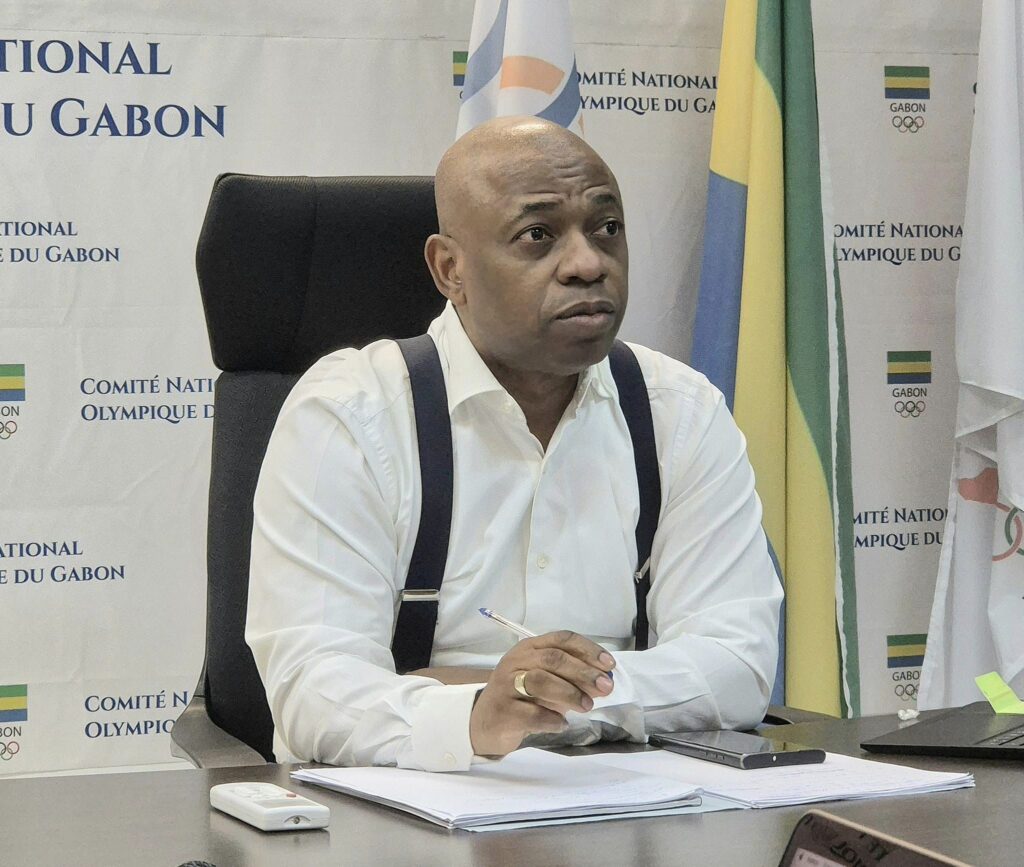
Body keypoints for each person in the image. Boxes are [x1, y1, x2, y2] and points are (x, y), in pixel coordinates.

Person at [247, 116, 782, 771]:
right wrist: (478, 714)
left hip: (628, 801)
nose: (588, 263)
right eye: (538, 235)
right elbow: (314, 693)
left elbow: (738, 665)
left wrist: (541, 699)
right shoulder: (351, 415)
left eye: (607, 228)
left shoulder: (681, 410)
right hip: (401, 809)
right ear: (450, 269)